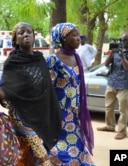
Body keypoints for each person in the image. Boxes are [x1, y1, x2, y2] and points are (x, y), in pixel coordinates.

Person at [0, 22, 62, 166]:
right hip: (21, 117)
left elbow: (45, 89)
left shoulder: (39, 59)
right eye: (21, 32)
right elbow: (7, 93)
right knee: (42, 160)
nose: (25, 34)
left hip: (39, 115)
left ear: (34, 35)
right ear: (15, 39)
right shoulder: (13, 62)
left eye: (29, 31)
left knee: (25, 158)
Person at [46, 23, 95, 165]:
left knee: (78, 151)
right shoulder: (53, 60)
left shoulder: (76, 58)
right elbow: (48, 90)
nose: (78, 38)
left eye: (78, 35)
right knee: (57, 152)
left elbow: (78, 86)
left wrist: (80, 108)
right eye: (74, 35)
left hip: (73, 115)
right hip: (57, 115)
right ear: (63, 38)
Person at [97, 32, 128, 140]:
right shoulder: (115, 50)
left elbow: (127, 67)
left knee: (123, 109)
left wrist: (121, 55)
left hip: (124, 85)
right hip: (112, 82)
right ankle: (110, 126)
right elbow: (106, 64)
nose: (124, 42)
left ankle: (122, 131)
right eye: (122, 40)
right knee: (109, 106)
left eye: (127, 39)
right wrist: (111, 53)